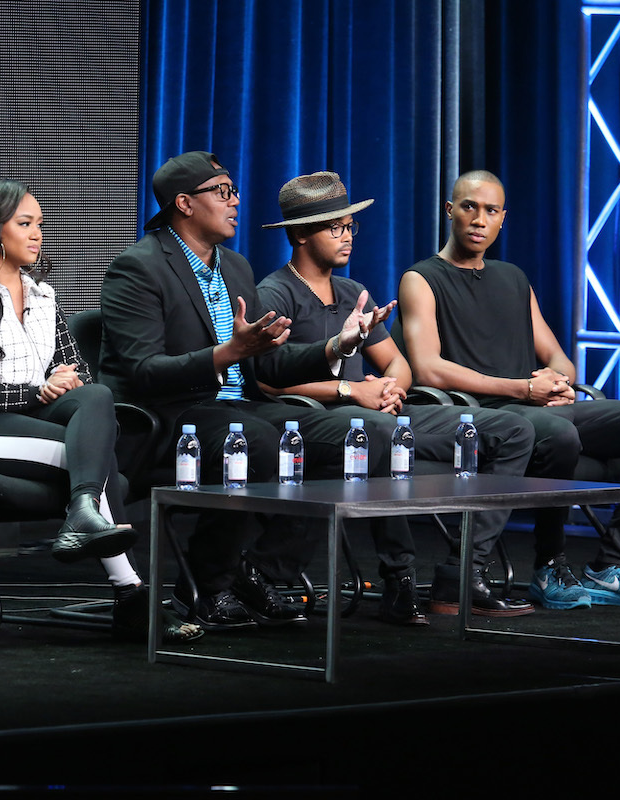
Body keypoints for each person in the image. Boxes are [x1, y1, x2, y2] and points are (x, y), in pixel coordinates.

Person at [99, 151, 427, 629]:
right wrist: (226, 354)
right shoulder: (139, 267)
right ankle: (206, 587)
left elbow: (269, 361)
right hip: (169, 416)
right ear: (184, 204)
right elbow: (142, 371)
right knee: (253, 438)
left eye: (235, 191)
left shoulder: (234, 266)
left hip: (242, 406)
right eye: (223, 192)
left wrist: (339, 343)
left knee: (368, 434)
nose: (236, 202)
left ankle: (258, 568)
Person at [0, 179, 202, 643]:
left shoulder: (42, 296)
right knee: (106, 472)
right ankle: (130, 594)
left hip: (31, 418)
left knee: (95, 397)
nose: (37, 234)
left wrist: (60, 387)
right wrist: (38, 392)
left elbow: (76, 375)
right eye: (25, 224)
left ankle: (85, 518)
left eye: (40, 225)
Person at [398, 170, 620, 608]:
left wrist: (560, 384)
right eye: (470, 206)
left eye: (491, 210)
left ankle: (611, 566)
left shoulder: (513, 277)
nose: (479, 219)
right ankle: (547, 566)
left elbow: (558, 356)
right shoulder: (421, 279)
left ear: (502, 219)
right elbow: (429, 370)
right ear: (450, 210)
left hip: (538, 405)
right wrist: (523, 389)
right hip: (489, 416)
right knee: (557, 431)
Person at [257, 171, 537, 617]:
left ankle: (463, 570)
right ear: (300, 235)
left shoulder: (352, 291)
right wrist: (350, 391)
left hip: (377, 414)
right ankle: (399, 577)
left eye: (351, 227)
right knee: (381, 433)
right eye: (336, 228)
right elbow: (267, 380)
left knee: (513, 430)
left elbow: (397, 362)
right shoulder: (275, 293)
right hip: (322, 420)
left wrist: (389, 388)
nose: (347, 237)